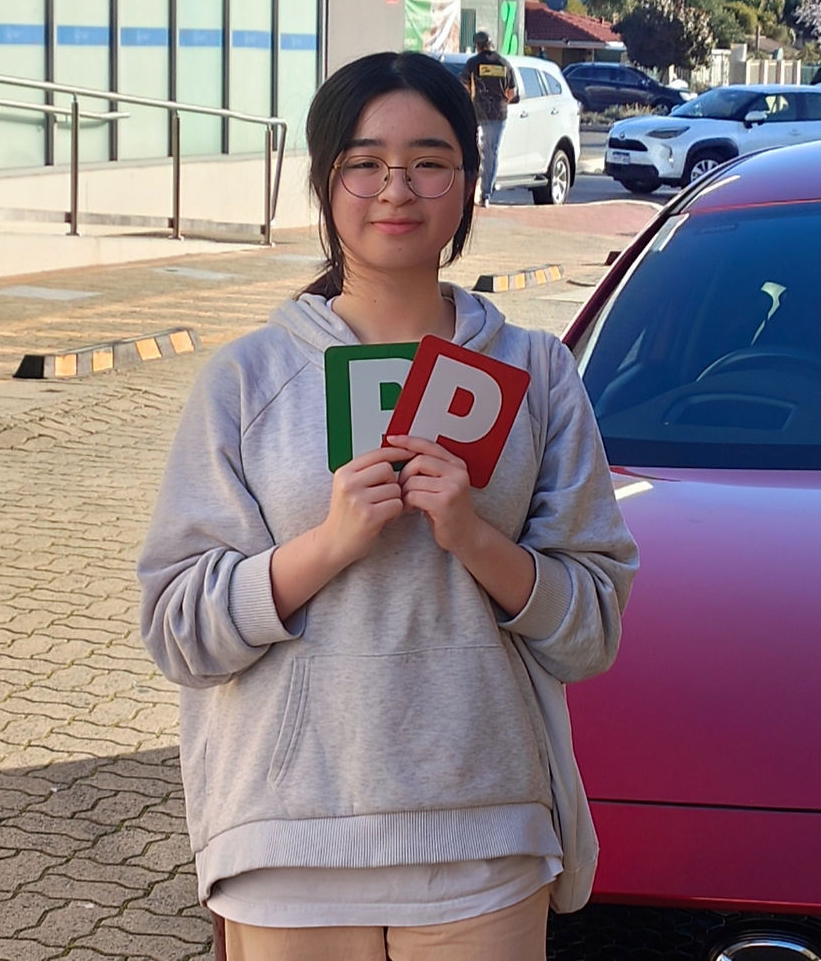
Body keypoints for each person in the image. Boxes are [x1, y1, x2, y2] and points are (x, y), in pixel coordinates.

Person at [138, 50, 638, 961]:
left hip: (484, 839)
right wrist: (328, 546)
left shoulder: (535, 372)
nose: (395, 189)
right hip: (285, 843)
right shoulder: (247, 378)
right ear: (326, 185)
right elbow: (178, 630)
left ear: (469, 182)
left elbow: (591, 629)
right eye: (363, 163)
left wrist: (475, 538)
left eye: (429, 161)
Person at [460, 31, 517, 207]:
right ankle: (486, 195)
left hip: (477, 113)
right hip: (498, 114)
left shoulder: (473, 63)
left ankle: (469, 192)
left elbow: (463, 85)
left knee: (473, 152)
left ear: (477, 45)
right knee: (491, 154)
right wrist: (501, 101)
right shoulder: (504, 64)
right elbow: (512, 92)